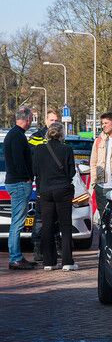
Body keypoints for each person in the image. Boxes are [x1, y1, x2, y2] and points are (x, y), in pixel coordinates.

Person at [33, 122, 77, 271]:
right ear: (62, 134)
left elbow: (36, 171)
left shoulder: (39, 150)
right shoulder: (67, 149)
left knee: (47, 226)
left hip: (45, 191)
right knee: (65, 226)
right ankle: (67, 261)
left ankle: (49, 262)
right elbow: (71, 173)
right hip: (63, 190)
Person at [4, 107, 37, 269]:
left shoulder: (14, 135)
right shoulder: (17, 136)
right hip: (19, 182)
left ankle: (16, 257)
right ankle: (15, 258)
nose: (31, 121)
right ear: (27, 119)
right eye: (31, 118)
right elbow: (19, 161)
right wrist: (27, 177)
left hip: (15, 181)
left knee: (17, 221)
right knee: (17, 222)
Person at [29, 110, 60, 264]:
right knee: (40, 218)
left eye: (56, 120)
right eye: (51, 119)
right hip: (41, 183)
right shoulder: (36, 138)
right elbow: (30, 159)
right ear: (45, 120)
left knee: (56, 217)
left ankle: (54, 248)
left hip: (56, 183)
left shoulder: (60, 137)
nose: (53, 122)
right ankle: (38, 248)